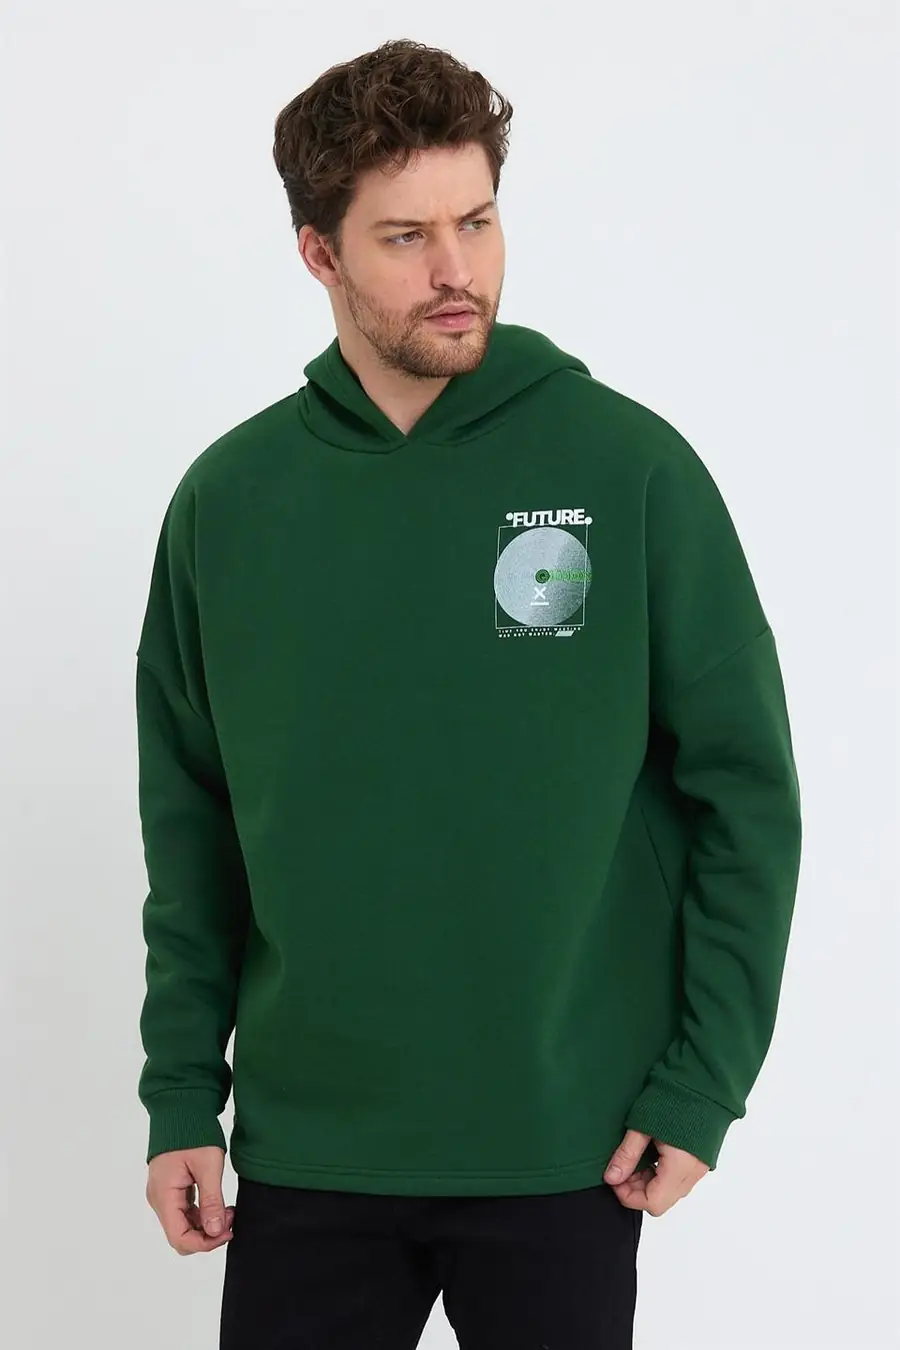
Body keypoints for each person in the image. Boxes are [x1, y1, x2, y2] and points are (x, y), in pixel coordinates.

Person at [135, 37, 803, 1350]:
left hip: (569, 1142)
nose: (458, 270)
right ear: (319, 253)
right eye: (406, 236)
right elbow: (192, 826)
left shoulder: (629, 468)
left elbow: (746, 796)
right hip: (311, 1149)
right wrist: (178, 1097)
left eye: (478, 221)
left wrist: (704, 1079)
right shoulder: (231, 502)